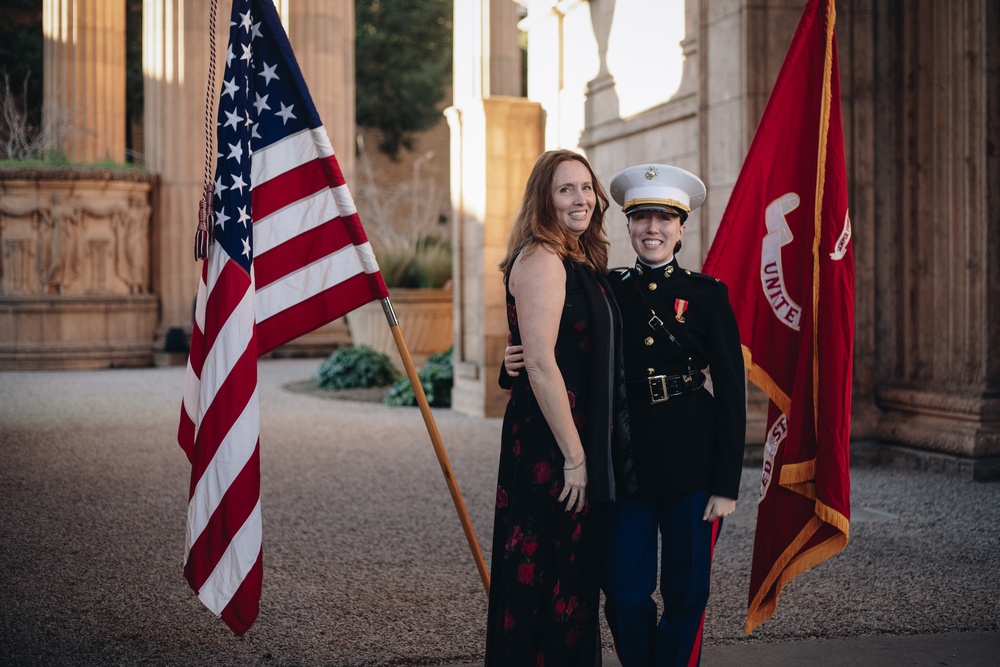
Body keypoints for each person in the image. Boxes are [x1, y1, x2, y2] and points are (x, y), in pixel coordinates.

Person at [505, 164, 746, 666]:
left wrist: (727, 482)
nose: (652, 229)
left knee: (688, 592)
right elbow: (560, 345)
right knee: (624, 592)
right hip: (623, 459)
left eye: (664, 219)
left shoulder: (708, 295)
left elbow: (730, 392)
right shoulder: (604, 287)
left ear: (681, 229)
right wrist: (512, 365)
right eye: (641, 219)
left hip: (693, 463)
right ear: (629, 226)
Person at [485, 149, 634, 666]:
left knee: (571, 577)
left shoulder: (578, 259)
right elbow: (544, 365)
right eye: (566, 189)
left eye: (586, 188)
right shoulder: (543, 258)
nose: (581, 199)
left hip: (575, 433)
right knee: (547, 573)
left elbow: (546, 351)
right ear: (543, 199)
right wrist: (575, 456)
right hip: (553, 444)